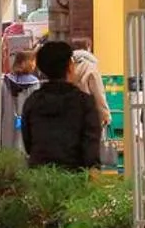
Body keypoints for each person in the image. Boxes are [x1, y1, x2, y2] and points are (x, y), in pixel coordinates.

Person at [21, 40, 101, 170]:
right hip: (74, 179)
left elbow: (28, 143)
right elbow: (91, 147)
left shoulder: (32, 101)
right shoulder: (84, 103)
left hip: (40, 176)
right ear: (70, 65)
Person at [69, 38, 112, 165]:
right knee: (89, 151)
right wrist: (105, 115)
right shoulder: (91, 68)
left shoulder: (69, 66)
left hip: (70, 113)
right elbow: (98, 94)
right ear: (88, 47)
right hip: (88, 114)